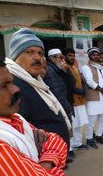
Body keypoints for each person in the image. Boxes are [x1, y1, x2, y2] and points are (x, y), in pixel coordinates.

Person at [0, 56, 67, 176]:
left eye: (12, 82)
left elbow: (57, 141)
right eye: (4, 86)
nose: (16, 89)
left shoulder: (15, 120)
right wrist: (47, 165)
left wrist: (39, 169)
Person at [5, 28, 72, 162]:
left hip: (50, 159)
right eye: (29, 52)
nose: (37, 58)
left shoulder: (35, 81)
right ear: (15, 56)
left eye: (40, 53)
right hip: (38, 163)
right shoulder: (12, 84)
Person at [44, 48, 76, 157]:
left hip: (64, 103)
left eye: (63, 57)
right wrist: (67, 108)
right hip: (58, 106)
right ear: (52, 59)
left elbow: (72, 83)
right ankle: (61, 156)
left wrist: (67, 71)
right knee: (61, 131)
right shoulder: (49, 70)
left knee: (67, 129)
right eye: (60, 57)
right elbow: (56, 91)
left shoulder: (59, 69)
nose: (63, 60)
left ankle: (66, 152)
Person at [82, 47, 103, 147]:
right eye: (94, 55)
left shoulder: (102, 67)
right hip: (94, 96)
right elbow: (89, 81)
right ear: (89, 56)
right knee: (92, 119)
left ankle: (99, 136)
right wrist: (101, 89)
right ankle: (89, 139)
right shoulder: (86, 67)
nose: (96, 56)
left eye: (97, 55)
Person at [63, 48, 89, 149]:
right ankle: (71, 146)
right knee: (73, 125)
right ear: (65, 57)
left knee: (79, 124)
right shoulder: (65, 69)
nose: (72, 57)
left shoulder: (76, 68)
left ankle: (78, 143)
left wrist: (83, 90)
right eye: (69, 55)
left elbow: (82, 82)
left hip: (80, 101)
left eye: (73, 55)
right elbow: (69, 85)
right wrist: (80, 92)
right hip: (72, 102)